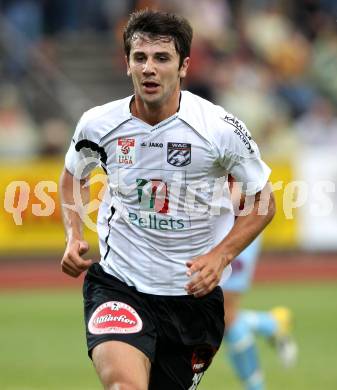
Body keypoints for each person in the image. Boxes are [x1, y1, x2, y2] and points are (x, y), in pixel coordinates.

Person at [59, 9, 275, 390]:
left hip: (192, 299)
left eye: (162, 58)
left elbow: (264, 201)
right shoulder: (98, 124)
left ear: (184, 66)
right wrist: (73, 234)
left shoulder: (220, 130)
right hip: (119, 284)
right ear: (126, 64)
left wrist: (221, 255)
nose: (149, 69)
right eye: (139, 58)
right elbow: (74, 176)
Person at [220, 179, 298, 390]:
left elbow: (252, 191)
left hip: (239, 232)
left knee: (226, 315)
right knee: (207, 313)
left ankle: (255, 386)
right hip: (209, 235)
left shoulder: (234, 148)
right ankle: (271, 323)